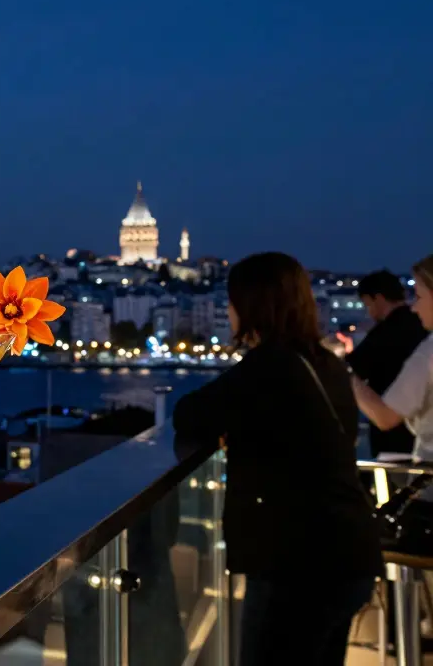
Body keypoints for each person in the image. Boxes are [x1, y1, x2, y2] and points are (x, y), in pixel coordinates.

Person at [173, 252, 381, 666]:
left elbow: (190, 414)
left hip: (300, 564)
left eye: (231, 302)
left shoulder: (270, 366)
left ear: (251, 307)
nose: (227, 311)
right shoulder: (326, 363)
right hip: (348, 551)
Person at [339, 269, 428, 457]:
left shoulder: (385, 333)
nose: (414, 307)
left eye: (419, 297)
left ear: (377, 298)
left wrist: (341, 368)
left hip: (395, 441)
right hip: (416, 434)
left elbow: (351, 369)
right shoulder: (421, 329)